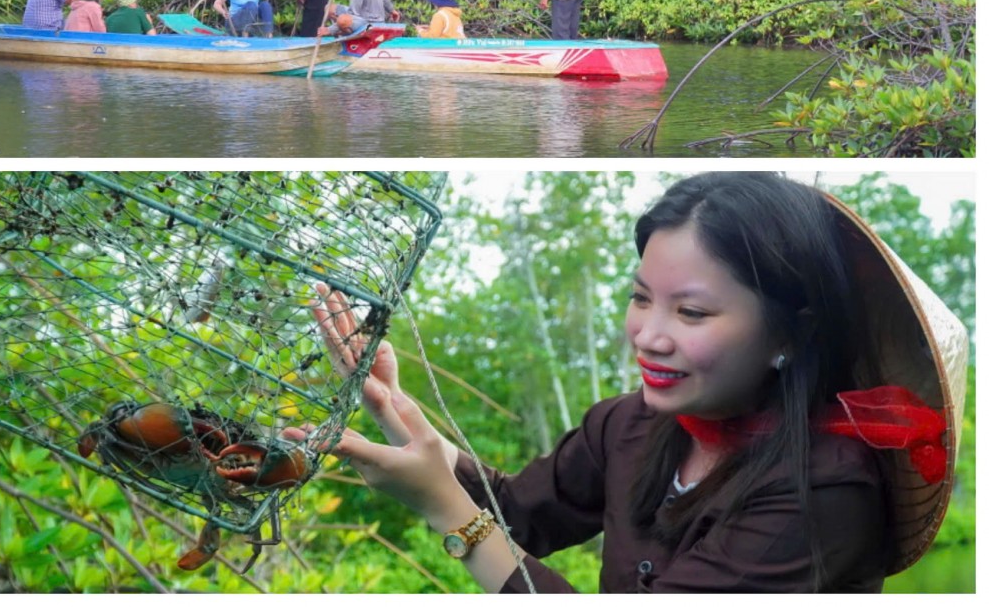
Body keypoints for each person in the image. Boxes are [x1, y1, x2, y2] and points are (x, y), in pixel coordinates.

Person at [301, 172, 968, 593]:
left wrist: (447, 511)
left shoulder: (822, 489)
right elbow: (521, 513)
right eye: (641, 297)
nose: (649, 334)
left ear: (789, 334)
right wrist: (397, 410)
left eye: (692, 311)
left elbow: (479, 521)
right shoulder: (629, 424)